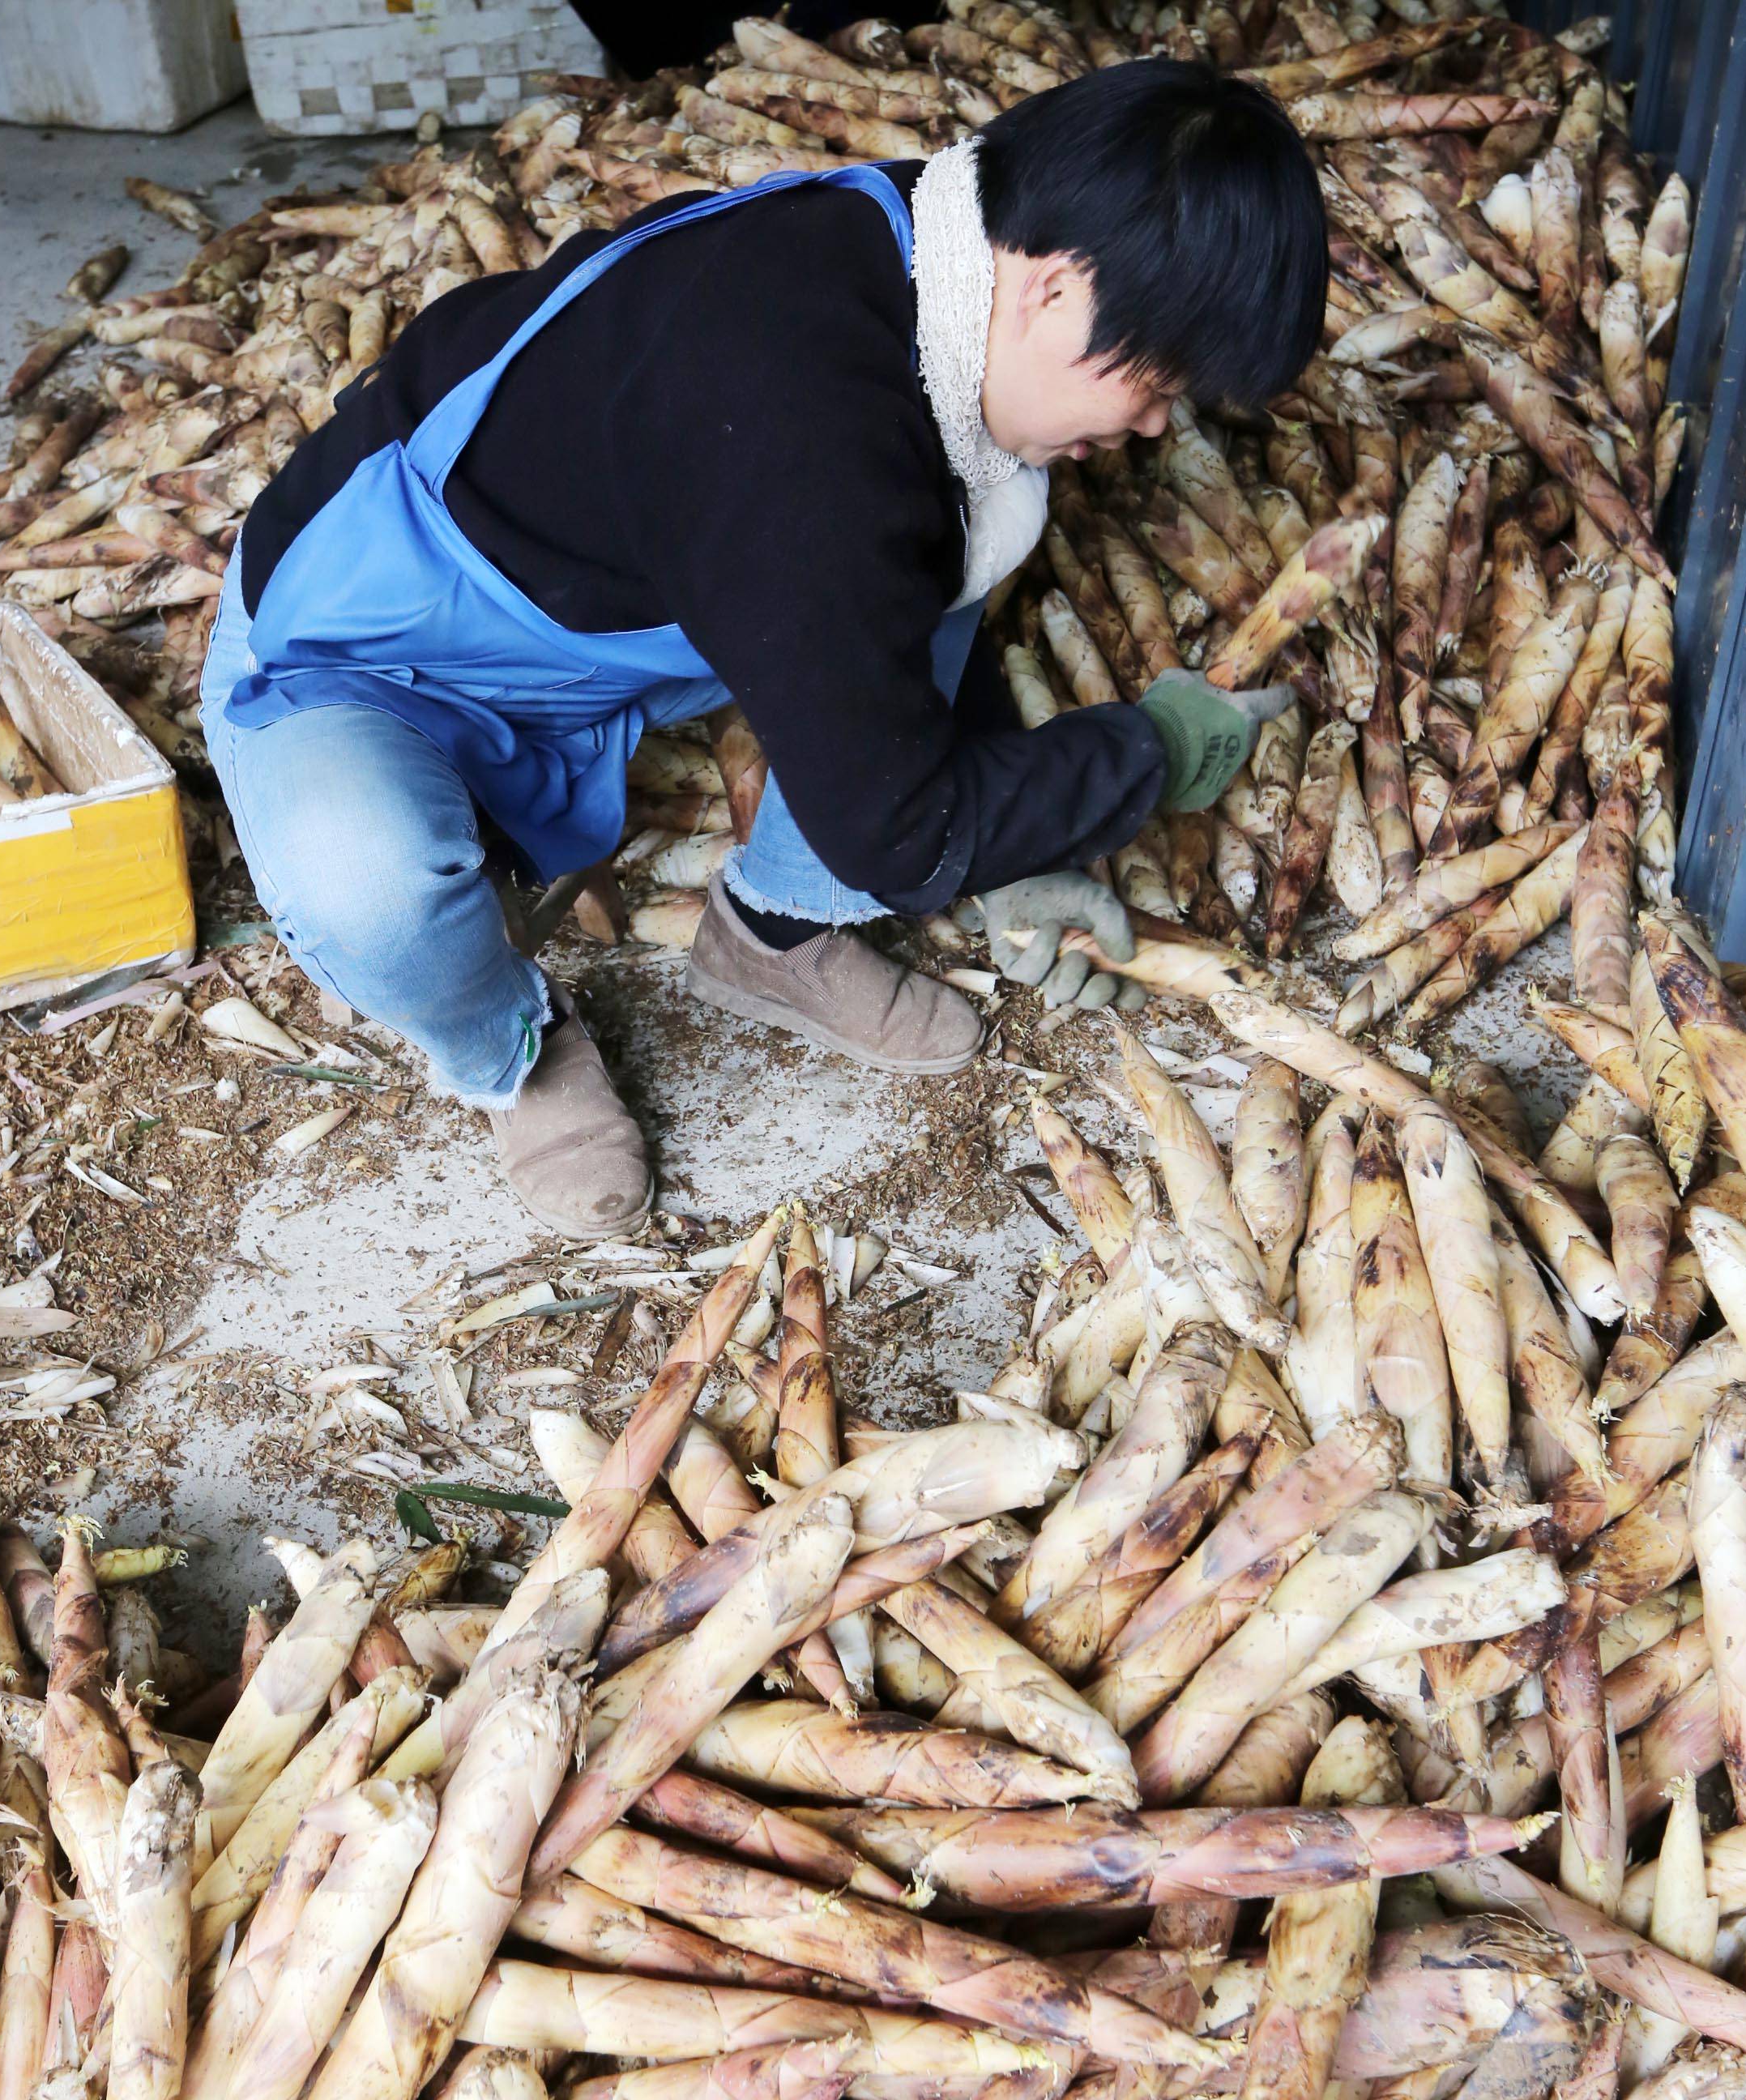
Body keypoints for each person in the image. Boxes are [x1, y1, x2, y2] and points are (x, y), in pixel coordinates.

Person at [200, 60, 1328, 1236]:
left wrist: (1011, 853)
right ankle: (510, 1054)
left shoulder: (932, 245)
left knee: (945, 532)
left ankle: (775, 935)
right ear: (1051, 289)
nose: (1150, 425)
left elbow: (901, 592)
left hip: (629, 607)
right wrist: (1141, 755)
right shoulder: (804, 439)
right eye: (1151, 382)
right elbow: (900, 830)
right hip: (362, 646)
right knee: (366, 889)